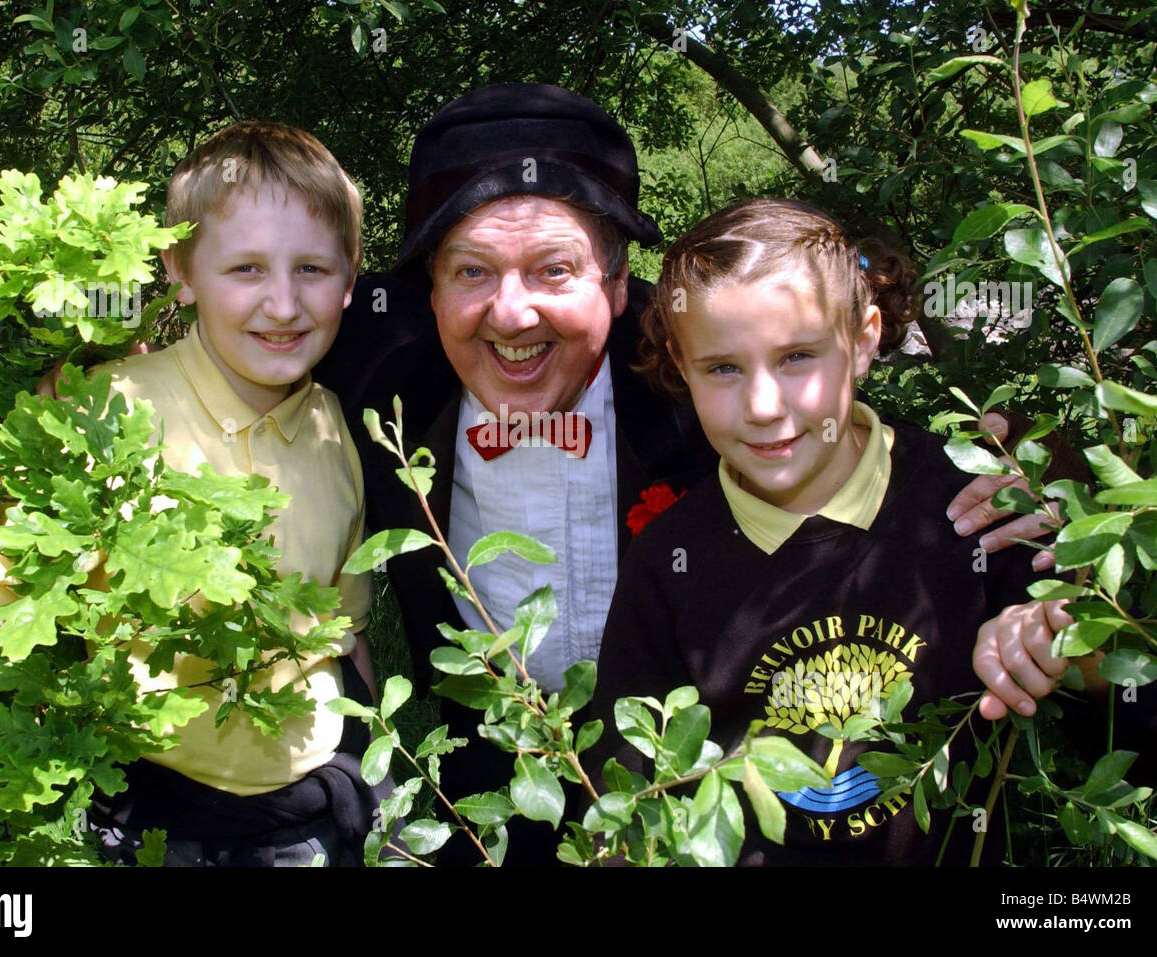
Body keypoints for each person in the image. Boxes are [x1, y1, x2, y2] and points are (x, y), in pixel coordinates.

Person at [315, 84, 1058, 865]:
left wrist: (1042, 467)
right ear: (427, 286)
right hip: (484, 770)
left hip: (693, 774)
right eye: (470, 272)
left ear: (617, 278)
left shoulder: (699, 371)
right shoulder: (376, 374)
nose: (511, 314)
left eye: (554, 269)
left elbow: (876, 415)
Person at [0, 120, 383, 866]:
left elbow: (343, 634)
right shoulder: (104, 408)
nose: (284, 305)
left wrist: (372, 757)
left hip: (319, 802)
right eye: (247, 269)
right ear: (180, 271)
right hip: (166, 816)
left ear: (351, 280)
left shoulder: (333, 426)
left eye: (313, 269)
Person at [588, 198, 1078, 865]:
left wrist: (1071, 641)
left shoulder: (971, 504)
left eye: (797, 356)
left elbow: (1148, 728)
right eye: (723, 368)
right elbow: (630, 802)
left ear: (866, 337)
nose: (765, 407)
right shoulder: (666, 562)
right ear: (682, 363)